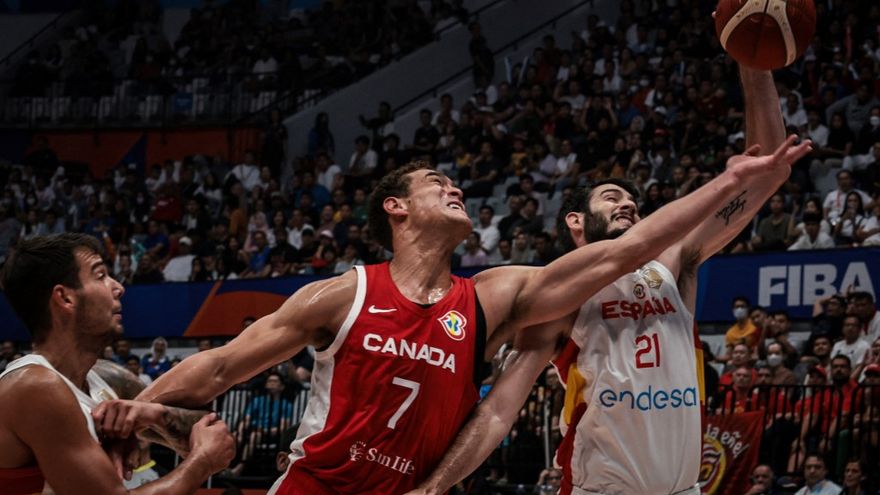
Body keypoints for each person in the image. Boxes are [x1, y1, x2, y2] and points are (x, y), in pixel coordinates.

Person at [136, 131, 808, 494]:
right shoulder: (346, 293)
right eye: (437, 183)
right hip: (317, 484)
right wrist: (129, 414)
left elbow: (622, 253)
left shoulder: (492, 295)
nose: (454, 186)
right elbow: (220, 366)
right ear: (396, 208)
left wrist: (734, 180)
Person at [407, 69, 801, 495]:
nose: (628, 204)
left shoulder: (672, 263)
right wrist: (434, 487)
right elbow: (501, 409)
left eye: (632, 201)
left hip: (685, 488)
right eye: (612, 198)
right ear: (576, 221)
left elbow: (769, 172)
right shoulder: (558, 297)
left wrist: (754, 66)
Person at [0, 233, 235, 494]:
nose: (118, 287)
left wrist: (154, 415)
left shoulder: (106, 377)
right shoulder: (34, 387)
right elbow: (206, 451)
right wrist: (201, 464)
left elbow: (212, 434)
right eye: (100, 275)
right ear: (65, 298)